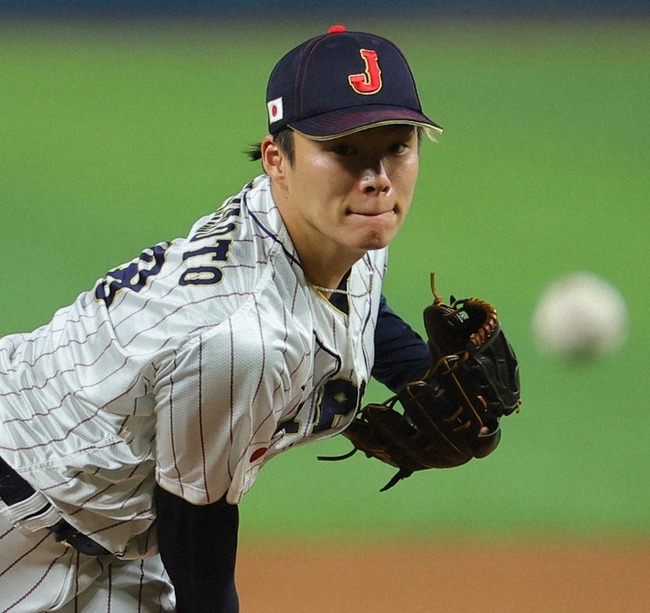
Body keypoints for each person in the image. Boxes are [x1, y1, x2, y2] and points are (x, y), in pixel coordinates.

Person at [0, 24, 444, 611]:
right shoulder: (241, 338)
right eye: (344, 150)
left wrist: (424, 375)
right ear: (277, 159)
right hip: (18, 517)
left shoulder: (328, 221)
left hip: (105, 530)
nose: (377, 178)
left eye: (397, 146)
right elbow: (197, 530)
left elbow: (355, 298)